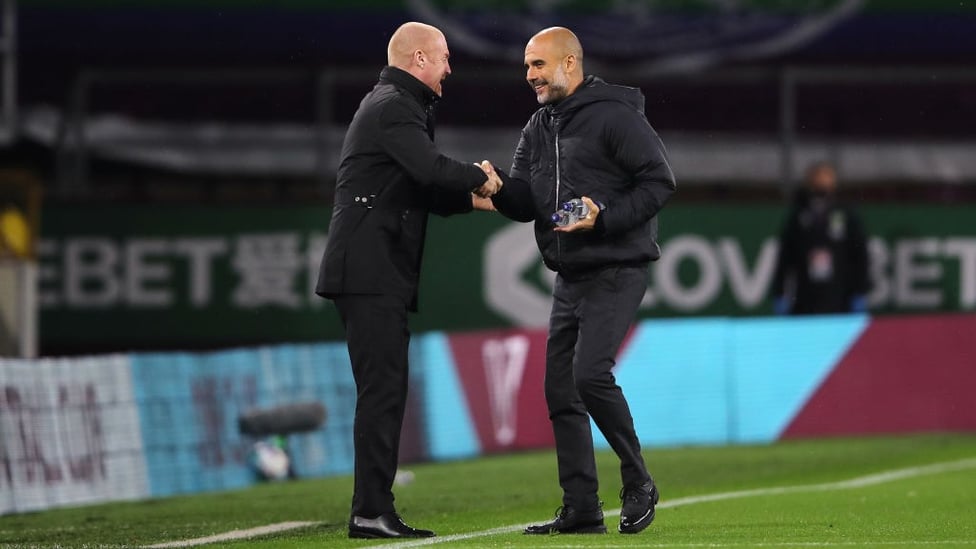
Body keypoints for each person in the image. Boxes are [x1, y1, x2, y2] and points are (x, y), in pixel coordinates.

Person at [481, 27, 676, 535]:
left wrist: (603, 218)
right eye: (527, 66)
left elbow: (660, 181)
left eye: (538, 65)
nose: (530, 75)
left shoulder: (614, 115)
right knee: (560, 390)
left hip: (617, 266)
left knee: (589, 376)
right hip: (570, 274)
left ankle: (639, 484)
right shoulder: (538, 126)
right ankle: (582, 509)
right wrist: (500, 188)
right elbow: (526, 200)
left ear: (570, 64)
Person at [315, 21, 501, 539]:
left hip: (374, 270)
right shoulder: (394, 104)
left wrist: (469, 199)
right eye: (443, 58)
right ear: (418, 58)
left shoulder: (395, 104)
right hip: (369, 270)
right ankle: (370, 511)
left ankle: (372, 508)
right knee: (383, 393)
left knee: (385, 391)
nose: (449, 69)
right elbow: (430, 168)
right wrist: (478, 177)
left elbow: (416, 186)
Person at [770, 161, 870, 315]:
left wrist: (860, 290)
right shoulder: (799, 216)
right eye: (817, 178)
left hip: (840, 295)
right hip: (806, 295)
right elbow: (785, 258)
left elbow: (860, 255)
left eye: (826, 177)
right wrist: (779, 292)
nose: (822, 182)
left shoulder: (845, 214)